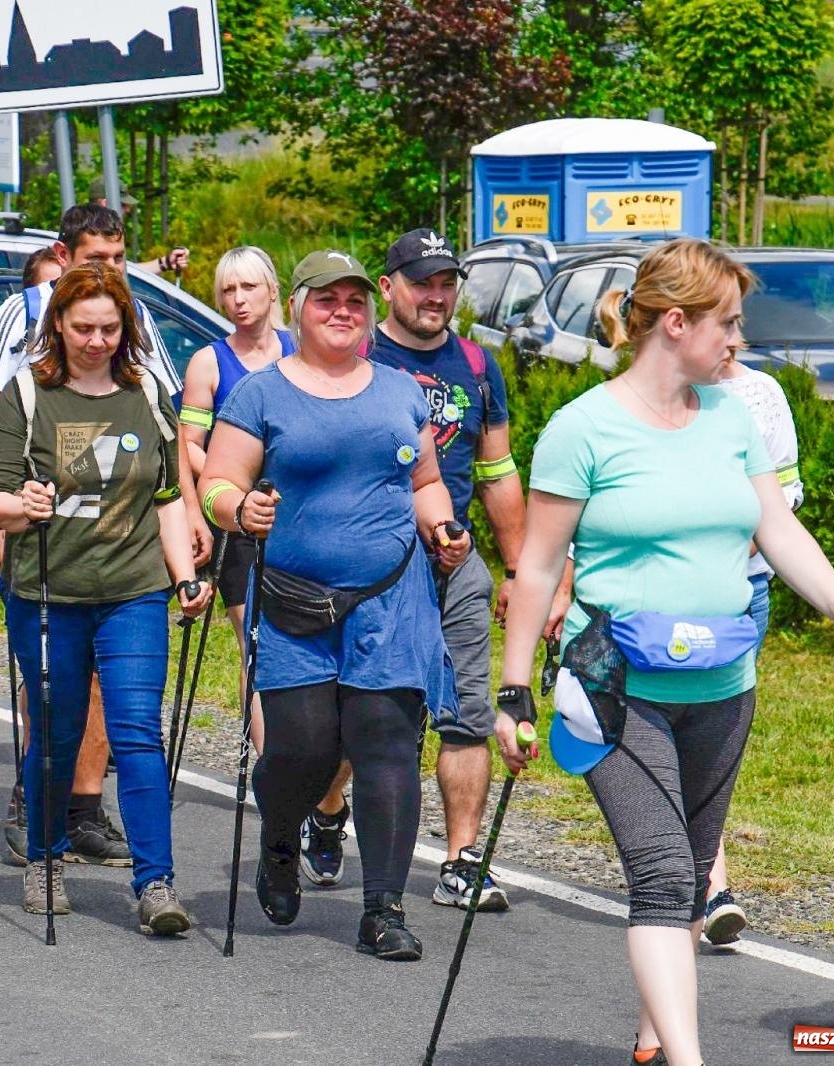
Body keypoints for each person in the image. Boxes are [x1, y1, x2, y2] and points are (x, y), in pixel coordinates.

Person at [495, 238, 834, 1066]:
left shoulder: (730, 417)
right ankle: (688, 1057)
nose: (738, 343)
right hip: (613, 683)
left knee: (683, 876)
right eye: (729, 325)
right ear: (674, 324)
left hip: (723, 680)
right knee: (663, 875)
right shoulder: (583, 429)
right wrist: (513, 691)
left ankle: (653, 1042)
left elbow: (775, 527)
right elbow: (537, 566)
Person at [200, 249, 469, 961]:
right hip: (293, 603)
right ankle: (280, 839)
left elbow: (425, 482)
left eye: (354, 299)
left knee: (386, 742)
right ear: (299, 307)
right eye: (327, 299)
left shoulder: (400, 391)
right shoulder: (260, 393)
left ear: (370, 310)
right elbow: (217, 481)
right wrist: (240, 511)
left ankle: (383, 908)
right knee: (302, 747)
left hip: (391, 597)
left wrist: (442, 529)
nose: (342, 310)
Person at [0, 203, 210, 868]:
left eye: (120, 260)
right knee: (56, 701)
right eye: (97, 259)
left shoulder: (139, 323)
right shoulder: (19, 317)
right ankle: (37, 809)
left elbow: (164, 443)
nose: (110, 273)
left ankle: (97, 821)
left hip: (128, 558)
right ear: (66, 258)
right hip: (43, 548)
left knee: (124, 710)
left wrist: (187, 528)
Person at [358, 228, 570, 909]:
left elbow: (497, 471)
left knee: (468, 710)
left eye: (447, 283)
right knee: (366, 712)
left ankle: (462, 859)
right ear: (388, 287)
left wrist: (520, 568)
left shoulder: (478, 364)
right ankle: (328, 813)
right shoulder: (357, 357)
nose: (437, 295)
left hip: (457, 564)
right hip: (371, 568)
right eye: (423, 282)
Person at [702, 357, 805, 945]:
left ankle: (697, 876)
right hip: (676, 598)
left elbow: (784, 495)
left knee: (717, 739)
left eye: (737, 322)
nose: (730, 338)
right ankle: (710, 884)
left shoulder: (762, 393)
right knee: (688, 736)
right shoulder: (655, 390)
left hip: (747, 590)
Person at [176, 246, 292, 752]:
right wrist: (235, 491)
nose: (239, 300)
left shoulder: (301, 349)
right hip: (239, 522)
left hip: (301, 520)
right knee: (258, 647)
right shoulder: (209, 362)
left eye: (249, 287)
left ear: (272, 290)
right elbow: (188, 447)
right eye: (228, 290)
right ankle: (271, 771)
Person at [88, 176, 189, 279]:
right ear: (105, 204)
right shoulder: (89, 236)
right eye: (123, 205)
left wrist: (166, 262)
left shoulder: (99, 233)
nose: (127, 210)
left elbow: (128, 272)